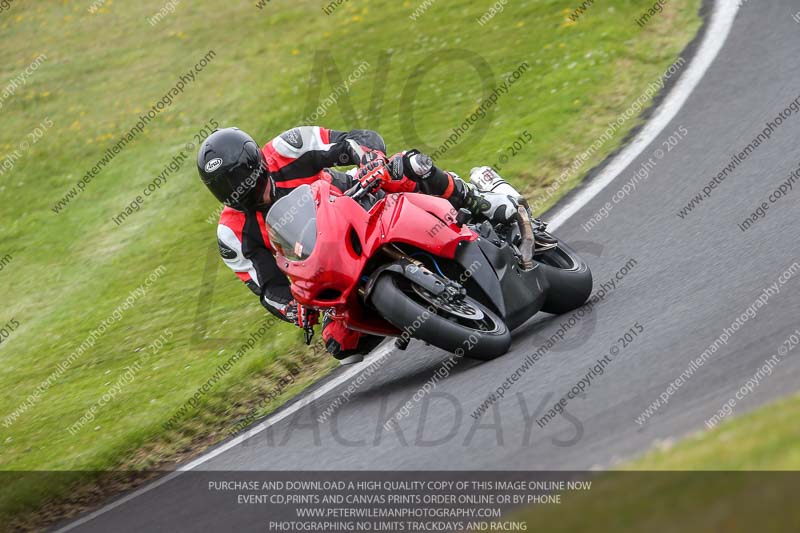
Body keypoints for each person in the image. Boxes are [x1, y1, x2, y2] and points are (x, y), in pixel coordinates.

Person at [197, 126, 518, 364]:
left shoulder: (285, 148)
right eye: (228, 189)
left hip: (362, 203)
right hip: (332, 266)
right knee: (341, 345)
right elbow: (268, 288)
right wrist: (297, 309)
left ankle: (480, 201)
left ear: (258, 164)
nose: (245, 193)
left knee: (406, 166)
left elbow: (353, 139)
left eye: (245, 181)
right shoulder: (231, 234)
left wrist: (370, 159)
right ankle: (419, 309)